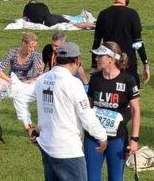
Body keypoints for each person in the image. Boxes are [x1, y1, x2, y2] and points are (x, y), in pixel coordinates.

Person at [33, 40, 108, 181]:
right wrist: (101, 136)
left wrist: (27, 123)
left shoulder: (42, 79)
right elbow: (86, 115)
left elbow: (22, 97)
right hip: (67, 149)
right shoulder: (73, 83)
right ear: (76, 60)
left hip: (47, 145)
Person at [86, 42, 142, 181]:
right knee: (91, 178)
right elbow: (88, 106)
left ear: (111, 59)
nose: (97, 59)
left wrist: (134, 139)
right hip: (94, 138)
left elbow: (135, 110)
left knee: (116, 178)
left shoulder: (128, 80)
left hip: (117, 139)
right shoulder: (95, 79)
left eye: (100, 56)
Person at [92, 0, 148, 79]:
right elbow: (138, 42)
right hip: (129, 65)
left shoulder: (103, 14)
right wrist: (145, 63)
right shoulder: (132, 15)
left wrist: (94, 65)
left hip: (109, 62)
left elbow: (96, 42)